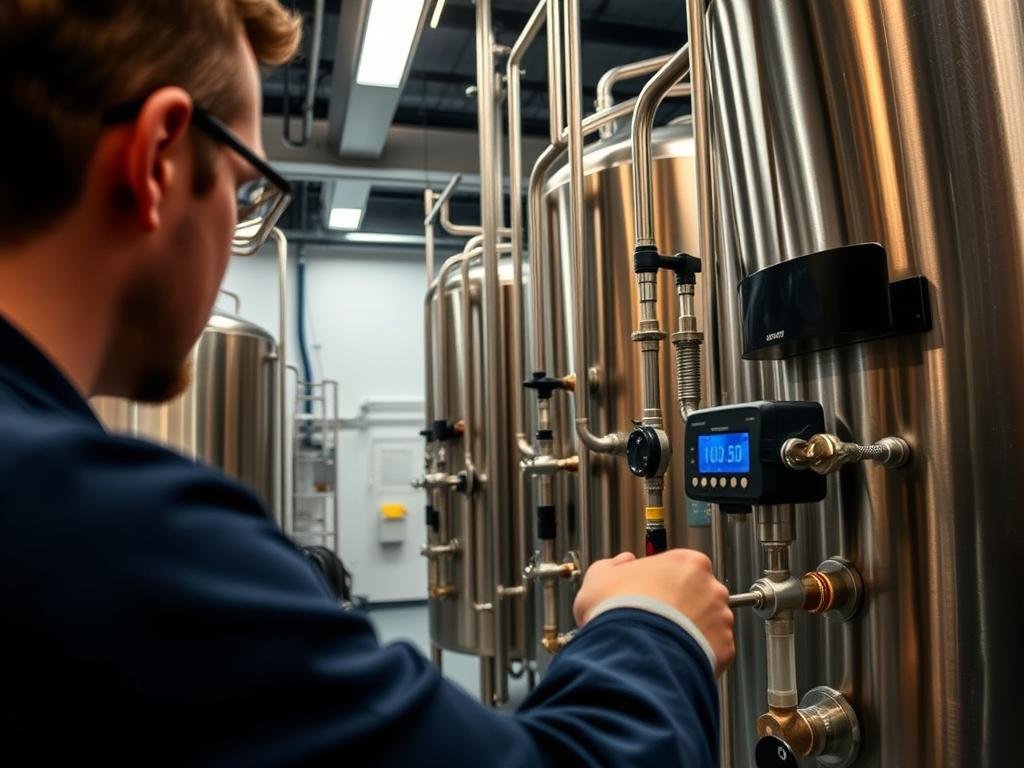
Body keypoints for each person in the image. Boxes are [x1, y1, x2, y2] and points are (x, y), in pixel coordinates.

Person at [0, 1, 734, 764]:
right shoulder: (104, 528)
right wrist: (655, 626)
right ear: (157, 160)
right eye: (247, 193)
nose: (237, 238)